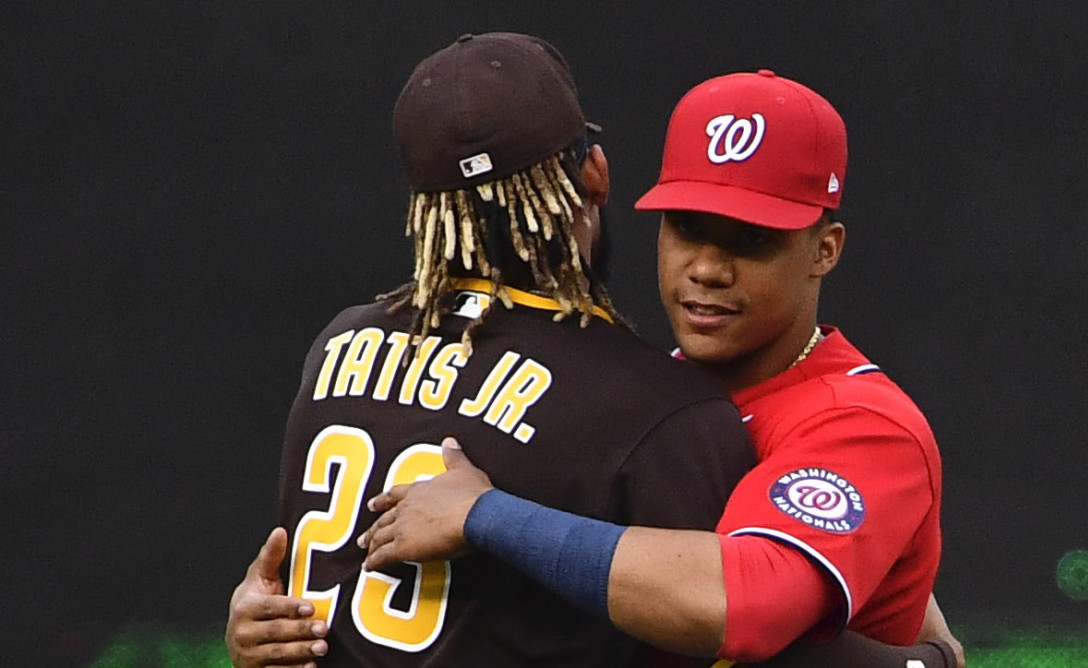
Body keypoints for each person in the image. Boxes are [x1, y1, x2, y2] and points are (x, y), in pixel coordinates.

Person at [359, 70, 959, 666]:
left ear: (824, 249)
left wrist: (486, 515)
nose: (707, 268)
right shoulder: (643, 397)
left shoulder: (862, 423)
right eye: (688, 228)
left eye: (752, 240)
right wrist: (287, 612)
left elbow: (745, 608)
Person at [228, 32, 760, 667]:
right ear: (596, 173)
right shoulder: (662, 409)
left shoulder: (338, 343)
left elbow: (295, 602)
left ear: (425, 209)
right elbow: (733, 631)